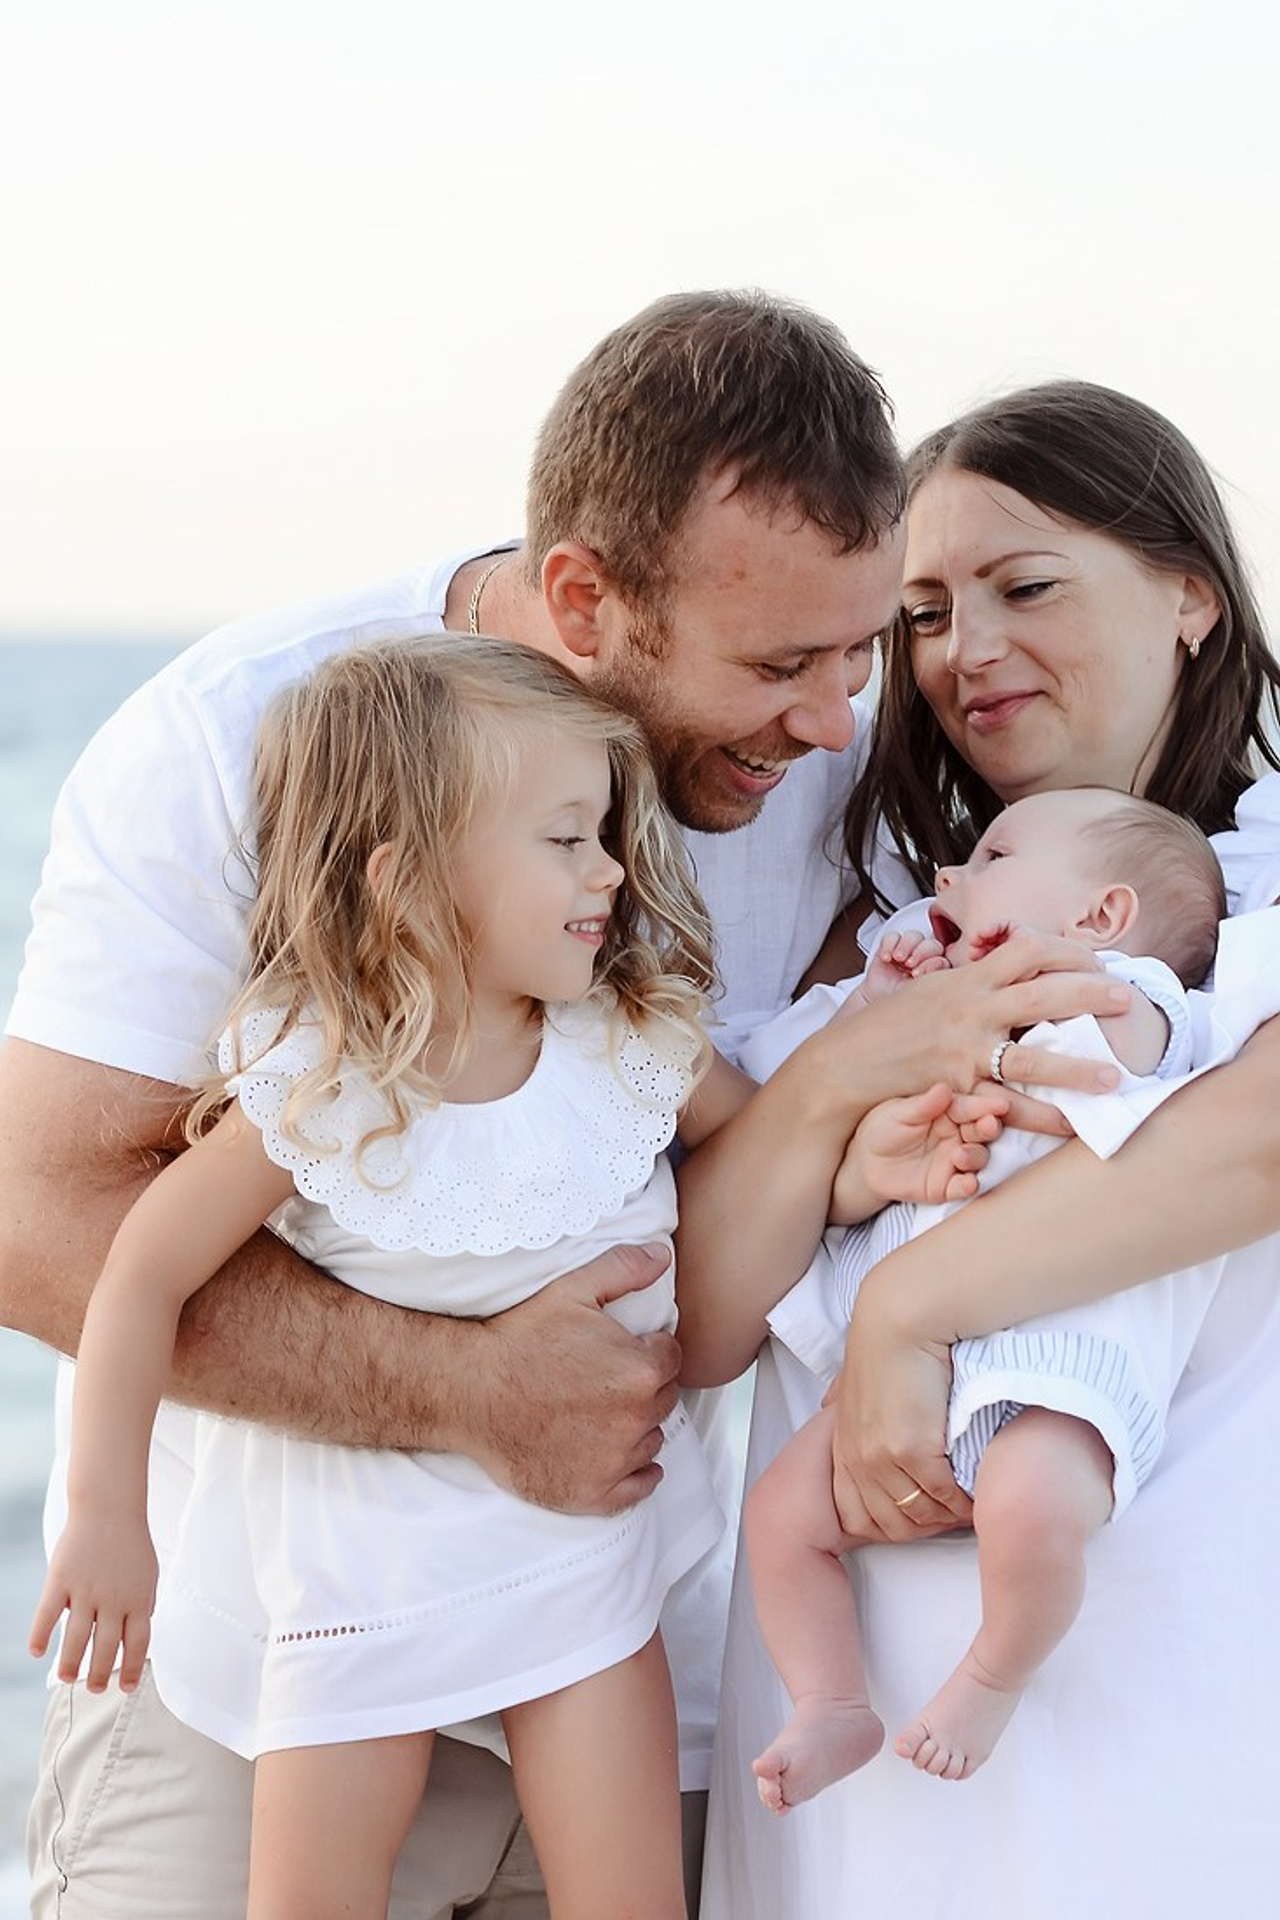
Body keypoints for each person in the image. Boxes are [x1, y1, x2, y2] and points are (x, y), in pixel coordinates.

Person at [1, 296, 1123, 1920]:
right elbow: (41, 1222)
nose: (837, 723)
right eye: (781, 663)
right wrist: (465, 1390)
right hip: (263, 1688)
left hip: (613, 1659)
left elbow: (766, 1131)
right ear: (586, 596)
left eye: (862, 648)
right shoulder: (241, 738)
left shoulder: (821, 767)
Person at [31, 636, 754, 1919]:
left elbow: (774, 1150)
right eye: (567, 838)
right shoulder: (324, 1080)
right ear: (412, 881)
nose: (610, 872)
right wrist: (104, 1517)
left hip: (580, 1573)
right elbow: (138, 1275)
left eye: (605, 834)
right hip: (357, 1586)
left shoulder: (630, 1042)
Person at [681, 379, 1280, 1919]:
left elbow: (1257, 1142)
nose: (965, 651)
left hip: (1154, 1670)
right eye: (927, 611)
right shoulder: (886, 925)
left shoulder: (1265, 884)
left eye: (1025, 587)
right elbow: (704, 1312)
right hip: (844, 1695)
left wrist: (906, 1310)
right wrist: (833, 1100)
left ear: (1191, 598)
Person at [743, 788, 1225, 1808]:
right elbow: (816, 1103)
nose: (948, 879)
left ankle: (993, 1672)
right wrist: (890, 1006)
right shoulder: (949, 999)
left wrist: (1036, 989)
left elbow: (1122, 1051)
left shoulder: (1132, 995)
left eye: (993, 856)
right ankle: (828, 1698)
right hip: (891, 1393)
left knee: (1033, 1503)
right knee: (778, 1518)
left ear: (1099, 917)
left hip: (1043, 1362)